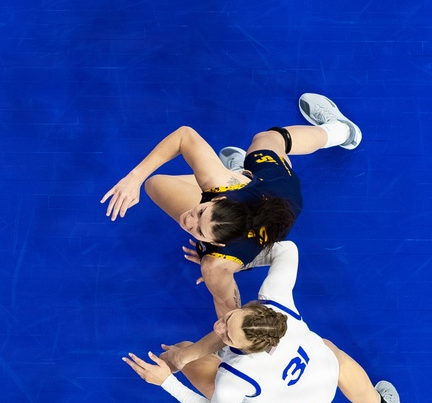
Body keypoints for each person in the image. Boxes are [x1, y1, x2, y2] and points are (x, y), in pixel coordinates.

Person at [101, 93, 361, 317]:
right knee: (265, 141)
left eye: (198, 231)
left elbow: (228, 310)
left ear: (220, 245)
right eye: (200, 211)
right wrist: (134, 178)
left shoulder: (215, 265)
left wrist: (223, 349)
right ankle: (338, 132)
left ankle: (339, 132)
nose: (188, 220)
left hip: (265, 218)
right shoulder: (220, 186)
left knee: (157, 184)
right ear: (219, 198)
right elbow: (184, 135)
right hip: (277, 190)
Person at [122, 241, 400, 403]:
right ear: (255, 309)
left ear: (249, 349)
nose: (217, 327)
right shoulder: (276, 301)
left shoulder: (236, 374)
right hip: (321, 388)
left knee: (185, 350)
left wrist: (166, 382)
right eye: (229, 318)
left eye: (228, 335)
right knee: (327, 350)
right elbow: (287, 249)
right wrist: (232, 261)